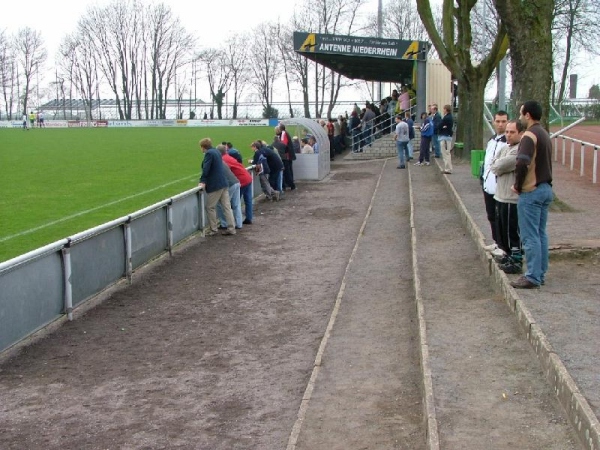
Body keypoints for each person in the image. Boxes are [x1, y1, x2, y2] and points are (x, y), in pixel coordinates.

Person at [510, 100, 553, 289]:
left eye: (521, 114)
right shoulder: (544, 133)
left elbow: (522, 163)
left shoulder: (529, 136)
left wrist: (518, 186)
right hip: (546, 188)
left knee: (529, 236)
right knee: (541, 234)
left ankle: (532, 276)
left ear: (527, 115)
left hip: (532, 191)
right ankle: (540, 272)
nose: (520, 117)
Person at [491, 119, 524, 274]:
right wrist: (497, 165)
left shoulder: (518, 150)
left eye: (512, 132)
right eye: (507, 132)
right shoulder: (505, 148)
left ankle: (516, 259)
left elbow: (501, 165)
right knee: (502, 229)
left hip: (511, 198)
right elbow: (494, 165)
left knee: (512, 231)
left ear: (521, 133)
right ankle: (507, 254)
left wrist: (497, 165)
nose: (508, 135)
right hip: (500, 195)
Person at [481, 111, 509, 257]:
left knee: (501, 217)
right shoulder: (492, 140)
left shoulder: (508, 142)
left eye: (503, 121)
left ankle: (503, 246)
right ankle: (496, 241)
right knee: (491, 215)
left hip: (500, 187)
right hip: (487, 184)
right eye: (498, 121)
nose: (500, 124)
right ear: (493, 122)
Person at [198, 138, 236, 236]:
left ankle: (213, 229)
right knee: (227, 207)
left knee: (210, 207)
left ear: (203, 147)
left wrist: (202, 181)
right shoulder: (216, 151)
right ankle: (232, 228)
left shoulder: (209, 154)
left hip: (216, 185)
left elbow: (206, 169)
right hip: (223, 183)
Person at [219, 144, 253, 225]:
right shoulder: (228, 157)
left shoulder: (223, 159)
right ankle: (247, 219)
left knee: (233, 203)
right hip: (247, 177)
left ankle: (230, 222)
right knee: (247, 200)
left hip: (241, 180)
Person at [215, 145, 243, 230]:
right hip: (236, 182)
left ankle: (225, 224)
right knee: (236, 204)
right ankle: (239, 224)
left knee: (222, 205)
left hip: (231, 184)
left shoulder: (219, 161)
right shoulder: (223, 160)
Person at [276, 124, 296, 190]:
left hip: (286, 155)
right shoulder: (284, 133)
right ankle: (289, 184)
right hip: (287, 154)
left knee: (287, 170)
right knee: (288, 170)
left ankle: (289, 184)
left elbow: (283, 144)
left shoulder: (284, 134)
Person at [438, 104, 454, 174]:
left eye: (444, 109)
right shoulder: (449, 117)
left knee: (445, 152)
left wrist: (442, 126)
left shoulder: (446, 118)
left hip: (445, 136)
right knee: (446, 152)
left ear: (446, 109)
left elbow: (439, 125)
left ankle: (448, 168)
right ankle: (448, 168)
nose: (443, 110)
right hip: (447, 136)